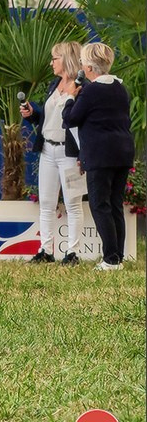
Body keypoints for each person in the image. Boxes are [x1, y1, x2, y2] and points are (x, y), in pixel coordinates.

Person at [62, 42, 135, 271]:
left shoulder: (91, 90)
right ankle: (117, 256)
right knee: (114, 204)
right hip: (122, 152)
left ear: (90, 67)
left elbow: (71, 118)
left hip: (100, 154)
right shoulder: (120, 88)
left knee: (99, 204)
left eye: (83, 62)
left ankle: (110, 259)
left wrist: (71, 97)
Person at [20, 41, 86, 265]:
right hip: (48, 149)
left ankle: (72, 252)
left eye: (54, 58)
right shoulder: (54, 84)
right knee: (47, 203)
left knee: (73, 203)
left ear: (65, 59)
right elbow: (48, 119)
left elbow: (77, 121)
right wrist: (32, 114)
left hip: (69, 152)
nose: (51, 63)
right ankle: (46, 250)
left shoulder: (81, 87)